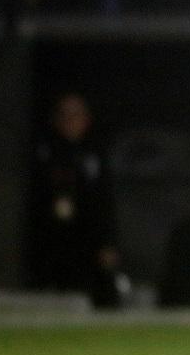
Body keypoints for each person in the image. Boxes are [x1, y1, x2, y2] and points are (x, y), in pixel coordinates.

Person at [25, 93, 121, 307]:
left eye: (76, 115)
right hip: (53, 245)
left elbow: (105, 204)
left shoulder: (95, 154)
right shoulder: (44, 153)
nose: (70, 121)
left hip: (90, 245)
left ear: (86, 119)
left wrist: (108, 243)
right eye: (64, 115)